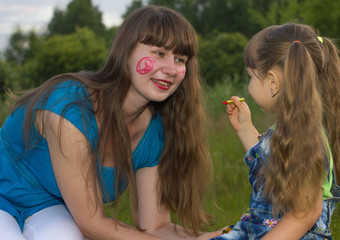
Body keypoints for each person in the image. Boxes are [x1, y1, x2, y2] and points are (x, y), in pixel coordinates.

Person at [0, 5, 223, 240]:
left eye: (180, 59)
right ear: (125, 51)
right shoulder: (70, 105)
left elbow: (155, 226)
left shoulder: (154, 131)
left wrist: (207, 238)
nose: (171, 69)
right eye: (159, 53)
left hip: (46, 205)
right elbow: (91, 224)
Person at [213, 23, 340, 239]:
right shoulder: (293, 131)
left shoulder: (306, 140)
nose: (249, 85)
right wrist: (245, 128)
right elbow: (268, 165)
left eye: (251, 77)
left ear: (272, 81)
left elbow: (306, 213)